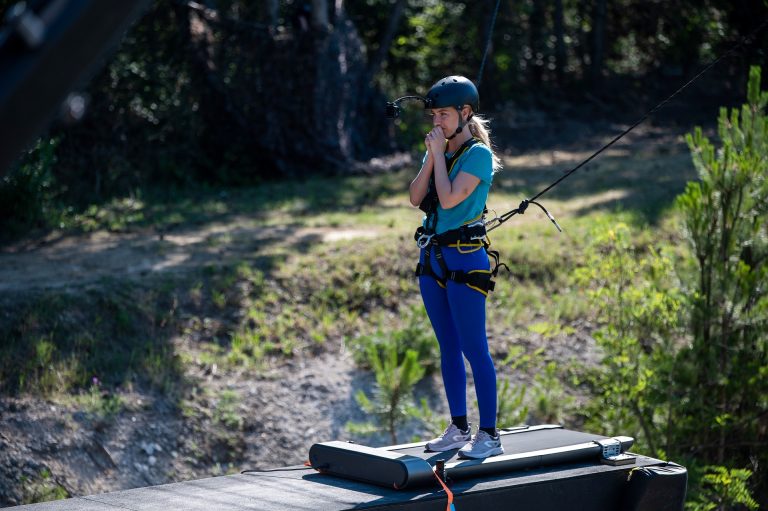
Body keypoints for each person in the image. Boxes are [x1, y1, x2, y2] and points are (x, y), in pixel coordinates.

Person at [409, 75, 504, 459]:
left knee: (473, 348)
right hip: (432, 258)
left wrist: (435, 159)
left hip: (466, 259)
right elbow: (418, 197)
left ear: (465, 113)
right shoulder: (439, 150)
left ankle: (490, 435)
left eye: (444, 115)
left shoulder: (477, 156)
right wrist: (432, 157)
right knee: (447, 346)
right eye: (434, 115)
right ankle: (458, 427)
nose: (437, 123)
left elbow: (447, 201)